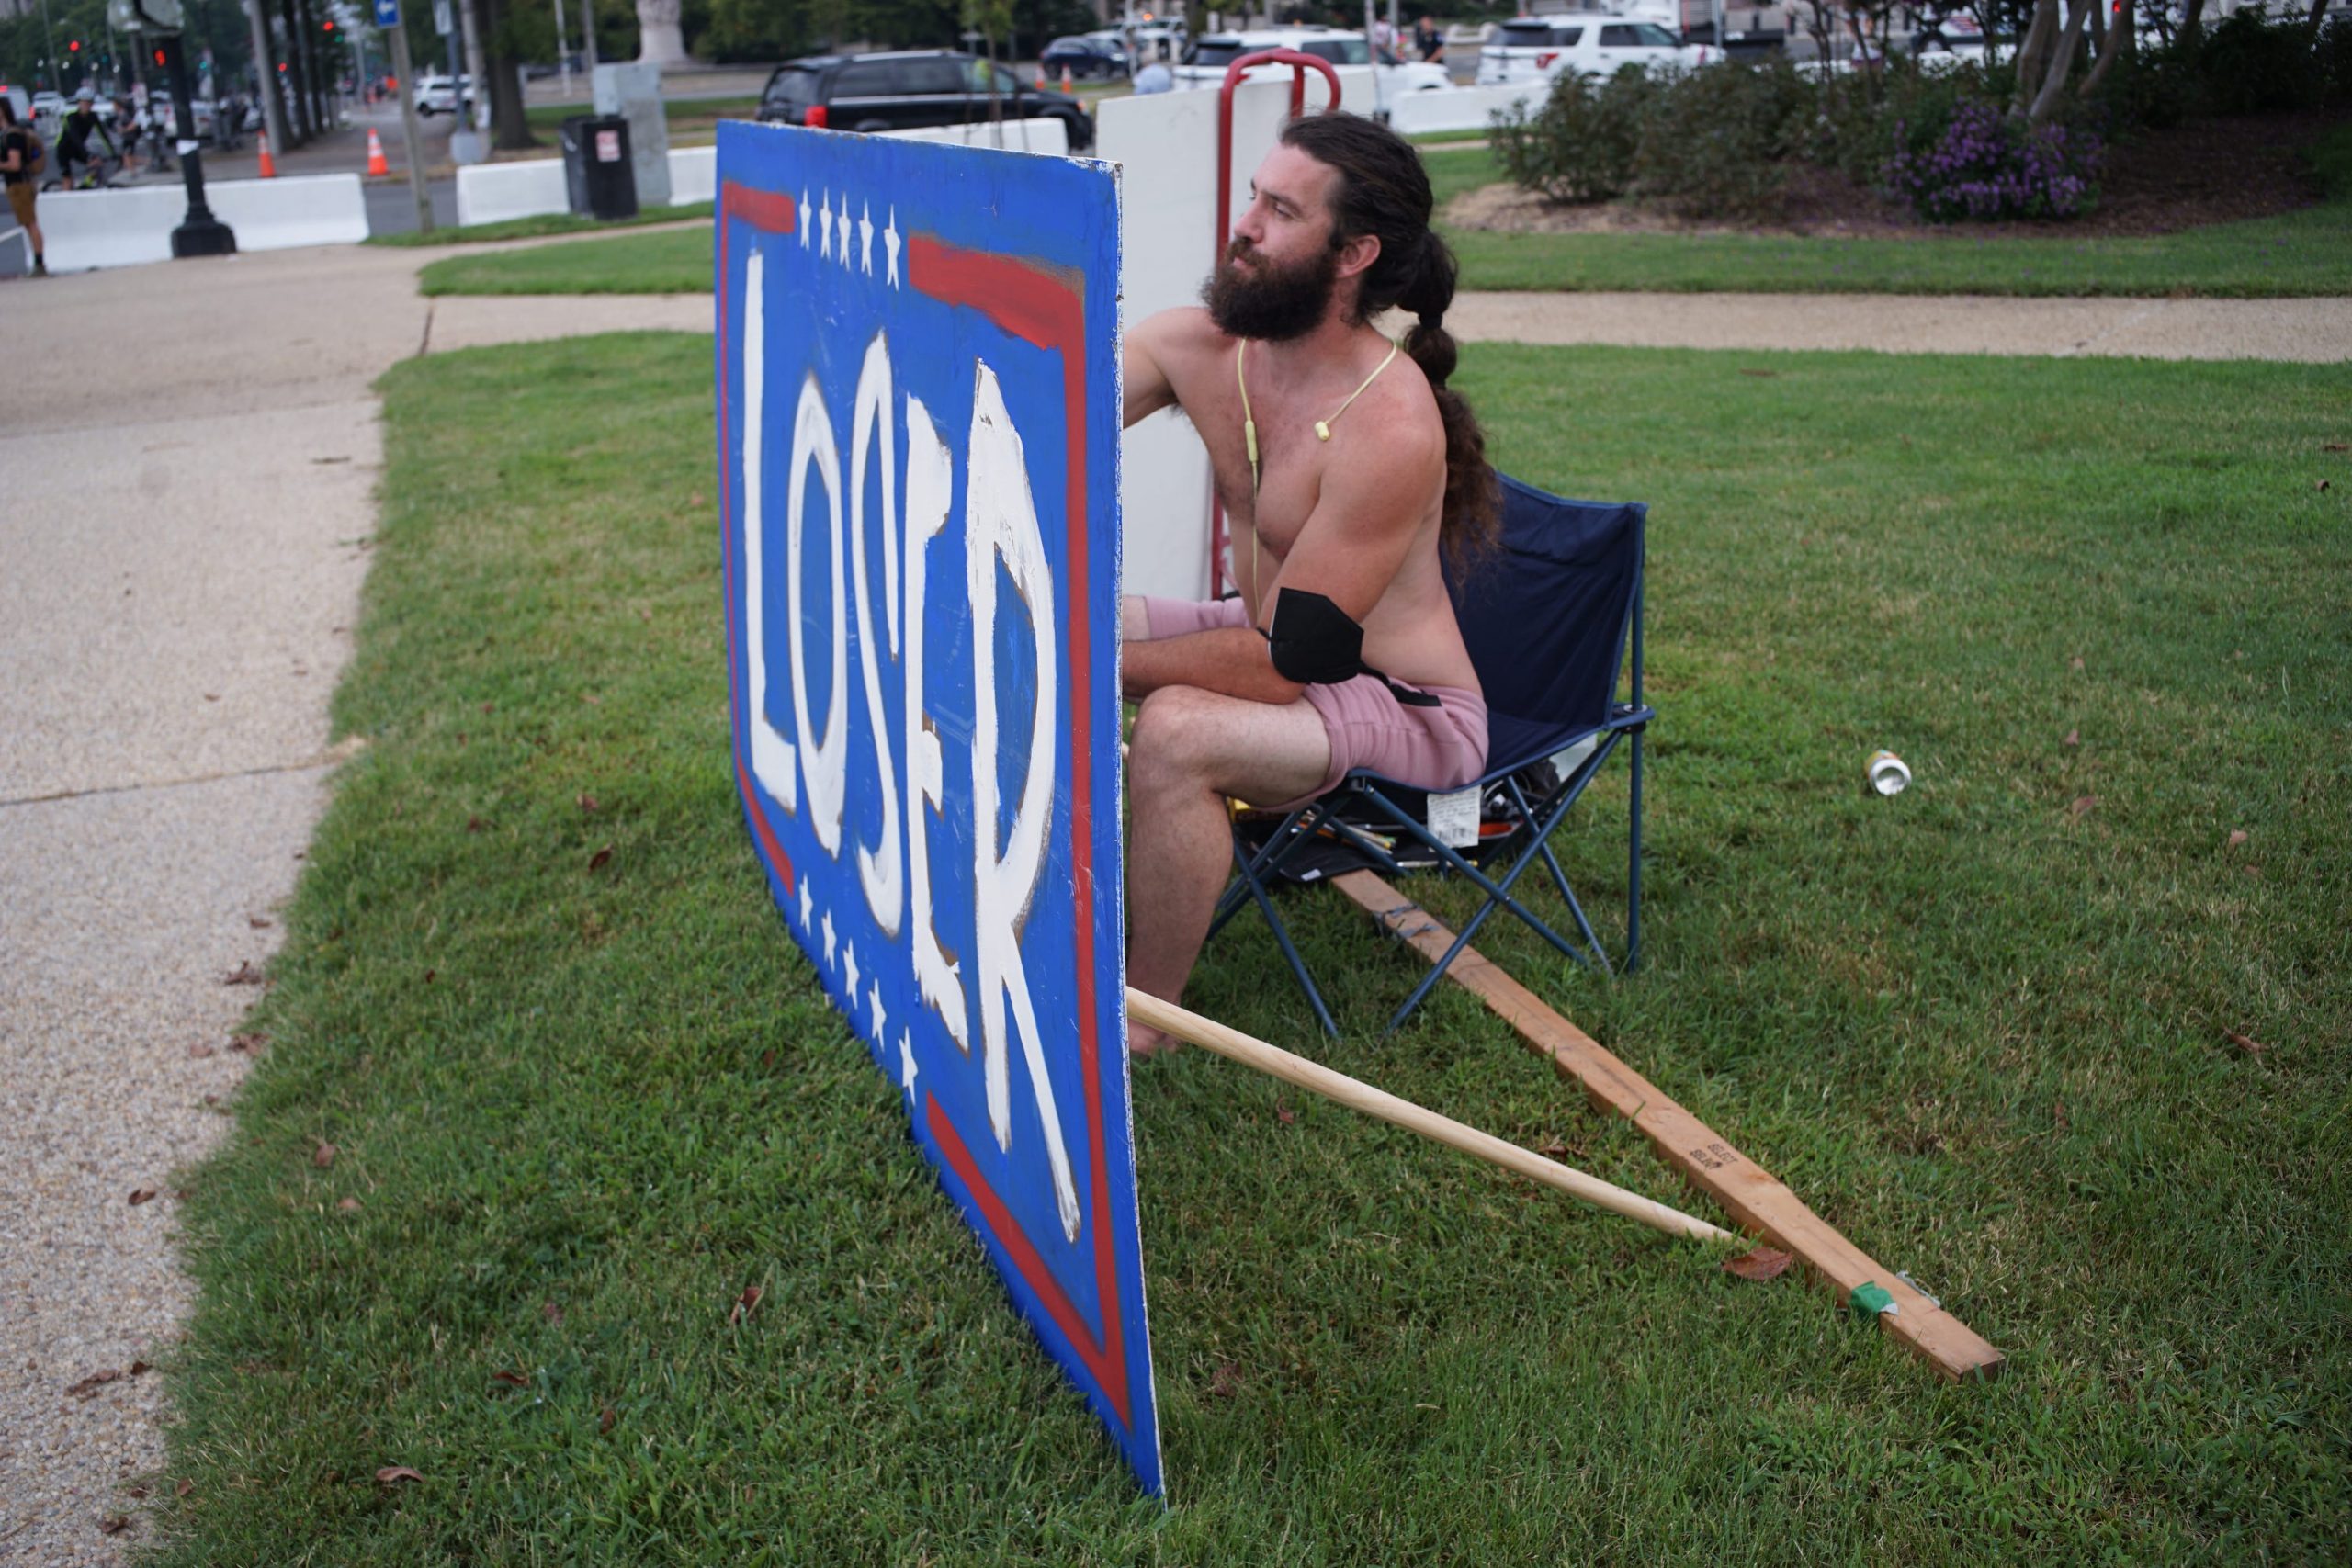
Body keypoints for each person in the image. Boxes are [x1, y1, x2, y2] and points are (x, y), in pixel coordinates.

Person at [1119, 111, 1498, 1054]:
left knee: (1172, 730)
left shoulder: (1391, 428)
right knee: (1074, 612)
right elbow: (1030, 415)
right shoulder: (1198, 348)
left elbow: (1292, 663)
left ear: (1352, 253)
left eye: (1279, 209)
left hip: (1404, 705)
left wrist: (1086, 664)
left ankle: (1138, 1022)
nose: (1243, 223)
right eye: (1254, 195)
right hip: (1272, 638)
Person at [0, 96, 47, 276]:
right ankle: (38, 262)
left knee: (30, 223)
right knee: (28, 224)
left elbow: (15, 164)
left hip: (20, 184)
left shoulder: (12, 136)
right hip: (20, 183)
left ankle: (40, 263)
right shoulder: (11, 133)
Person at [53, 87, 119, 190]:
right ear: (79, 103)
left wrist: (112, 152)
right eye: (84, 103)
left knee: (97, 164)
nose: (87, 106)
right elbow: (75, 137)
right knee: (68, 179)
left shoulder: (93, 117)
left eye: (89, 103)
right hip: (63, 149)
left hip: (77, 149)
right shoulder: (71, 117)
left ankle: (84, 186)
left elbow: (103, 135)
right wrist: (87, 154)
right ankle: (65, 198)